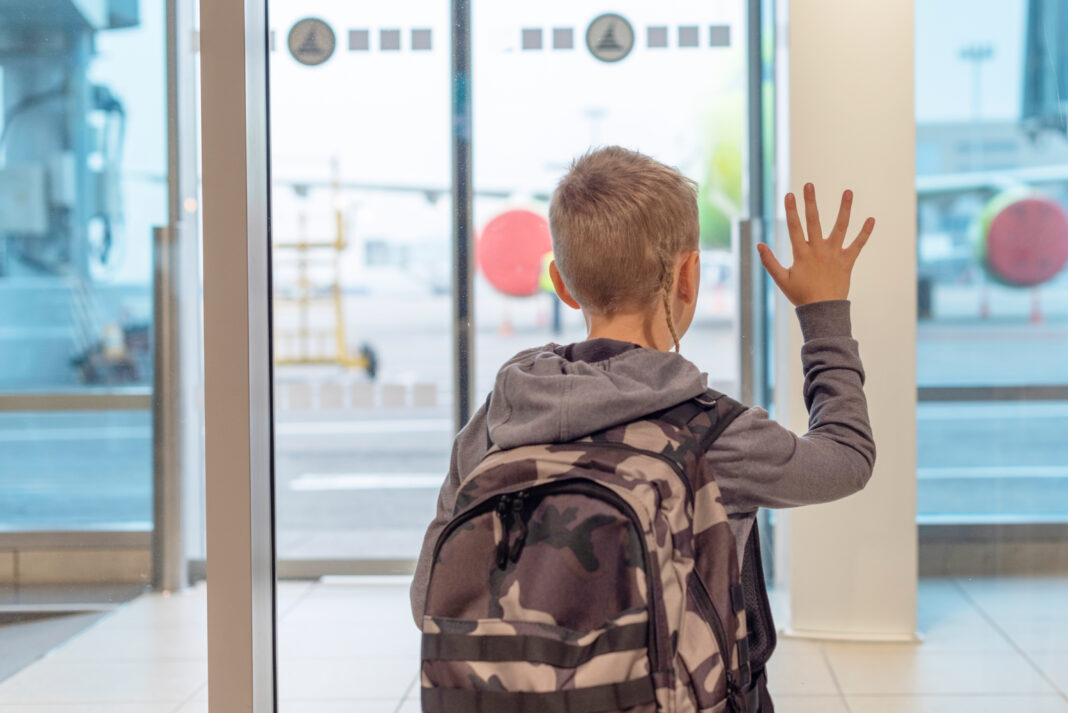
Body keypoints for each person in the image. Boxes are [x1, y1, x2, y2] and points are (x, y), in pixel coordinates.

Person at [411, 146, 876, 710]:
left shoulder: (501, 415)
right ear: (688, 276)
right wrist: (823, 312)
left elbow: (428, 599)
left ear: (561, 282)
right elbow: (847, 458)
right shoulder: (711, 432)